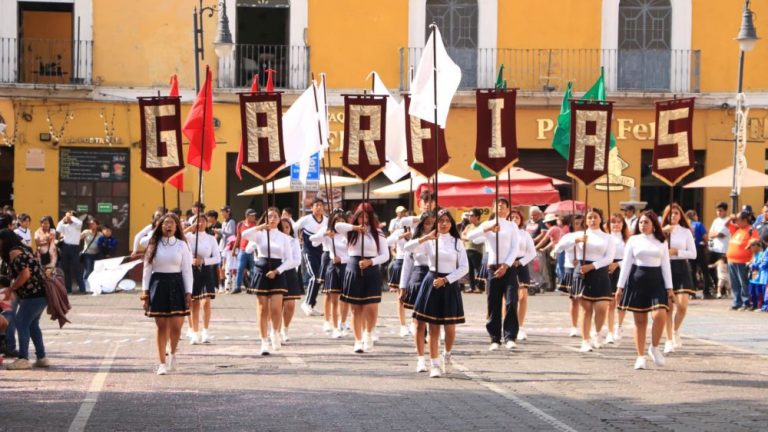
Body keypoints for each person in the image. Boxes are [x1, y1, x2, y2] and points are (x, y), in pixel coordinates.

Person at [407, 209, 468, 378]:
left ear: (451, 223)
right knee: (433, 326)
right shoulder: (431, 241)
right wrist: (425, 237)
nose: (444, 224)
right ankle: (434, 364)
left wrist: (447, 279)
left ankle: (446, 354)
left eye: (447, 220)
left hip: (449, 285)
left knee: (450, 328)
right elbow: (408, 248)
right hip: (431, 281)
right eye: (441, 221)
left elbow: (464, 267)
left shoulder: (457, 242)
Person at [616, 210, 674, 370]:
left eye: (646, 222)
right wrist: (619, 287)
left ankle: (654, 347)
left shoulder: (662, 241)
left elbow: (666, 265)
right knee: (640, 322)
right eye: (640, 222)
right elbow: (626, 264)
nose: (643, 225)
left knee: (660, 315)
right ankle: (640, 356)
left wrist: (670, 288)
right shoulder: (633, 240)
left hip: (656, 282)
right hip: (637, 281)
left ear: (654, 224)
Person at [141, 213, 193, 375]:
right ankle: (162, 363)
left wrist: (188, 292)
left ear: (177, 227)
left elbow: (187, 270)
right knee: (161, 326)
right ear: (160, 226)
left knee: (176, 327)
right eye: (165, 224)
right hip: (158, 285)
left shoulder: (182, 245)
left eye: (171, 224)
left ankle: (173, 352)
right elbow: (147, 270)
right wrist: (145, 292)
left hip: (177, 284)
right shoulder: (153, 244)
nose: (168, 226)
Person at [557, 209, 615, 352]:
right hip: (582, 272)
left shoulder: (608, 237)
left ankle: (597, 332)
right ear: (586, 220)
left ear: (600, 219)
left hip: (600, 271)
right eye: (589, 218)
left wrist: (592, 266)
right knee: (586, 309)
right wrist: (575, 241)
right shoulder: (578, 234)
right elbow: (559, 248)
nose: (592, 220)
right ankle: (585, 340)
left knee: (601, 308)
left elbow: (609, 258)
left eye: (595, 217)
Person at [336, 203, 389, 353]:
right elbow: (338, 226)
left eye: (366, 216)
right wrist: (355, 228)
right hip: (353, 267)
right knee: (356, 308)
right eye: (360, 216)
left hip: (371, 269)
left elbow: (385, 255)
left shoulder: (378, 233)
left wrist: (371, 262)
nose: (363, 219)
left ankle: (368, 333)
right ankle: (358, 340)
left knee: (370, 307)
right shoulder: (351, 232)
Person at [468, 198, 520, 351]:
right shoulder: (487, 224)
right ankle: (495, 338)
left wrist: (506, 265)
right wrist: (488, 229)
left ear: (508, 210)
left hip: (508, 268)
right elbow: (471, 237)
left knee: (511, 301)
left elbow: (514, 248)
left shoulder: (512, 226)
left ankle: (510, 336)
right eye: (497, 205)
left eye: (503, 206)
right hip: (492, 268)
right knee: (493, 303)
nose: (500, 208)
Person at [242, 207, 295, 355]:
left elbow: (289, 259)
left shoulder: (284, 237)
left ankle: (275, 332)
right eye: (269, 216)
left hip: (277, 272)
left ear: (279, 220)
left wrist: (278, 271)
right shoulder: (259, 234)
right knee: (262, 308)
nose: (272, 219)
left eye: (275, 217)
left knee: (276, 308)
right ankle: (263, 340)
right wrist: (260, 227)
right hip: (261, 270)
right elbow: (244, 234)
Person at [0, 229, 50, 370]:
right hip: (40, 293)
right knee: (32, 324)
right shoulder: (24, 249)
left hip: (33, 294)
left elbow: (25, 274)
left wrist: (11, 289)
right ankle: (41, 357)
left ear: (5, 240)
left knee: (21, 323)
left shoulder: (14, 253)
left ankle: (23, 358)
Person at [399, 211, 436, 372]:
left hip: (436, 276)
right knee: (417, 320)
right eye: (427, 223)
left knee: (433, 321)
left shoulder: (442, 238)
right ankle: (420, 359)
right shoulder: (416, 239)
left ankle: (435, 357)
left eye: (433, 223)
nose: (431, 226)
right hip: (418, 275)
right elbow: (407, 262)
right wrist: (402, 286)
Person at [660, 204, 697, 354]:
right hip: (665, 268)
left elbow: (693, 254)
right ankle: (668, 339)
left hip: (681, 268)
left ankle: (675, 330)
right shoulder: (659, 232)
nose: (673, 216)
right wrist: (662, 233)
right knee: (667, 307)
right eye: (670, 214)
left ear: (680, 215)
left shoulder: (686, 232)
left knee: (682, 306)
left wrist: (677, 252)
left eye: (676, 213)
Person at [310, 212, 349, 339]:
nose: (340, 224)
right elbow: (312, 240)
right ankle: (334, 326)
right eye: (337, 221)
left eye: (342, 221)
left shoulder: (348, 235)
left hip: (346, 266)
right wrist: (325, 234)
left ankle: (343, 323)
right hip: (332, 266)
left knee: (345, 298)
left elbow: (353, 254)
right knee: (333, 298)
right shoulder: (328, 233)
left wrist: (342, 260)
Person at [184, 216, 221, 345]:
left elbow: (217, 257)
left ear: (207, 224)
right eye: (197, 221)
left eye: (203, 221)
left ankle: (205, 331)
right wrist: (190, 228)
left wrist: (203, 261)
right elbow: (177, 237)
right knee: (194, 304)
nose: (200, 223)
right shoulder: (188, 237)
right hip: (192, 272)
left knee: (206, 303)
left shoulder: (211, 239)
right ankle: (194, 332)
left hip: (206, 271)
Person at [551, 215, 585, 337]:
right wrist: (574, 241)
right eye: (576, 223)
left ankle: (585, 325)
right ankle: (574, 326)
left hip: (583, 267)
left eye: (581, 223)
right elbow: (559, 248)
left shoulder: (587, 234)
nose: (578, 225)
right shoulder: (568, 236)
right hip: (570, 267)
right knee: (574, 299)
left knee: (584, 299)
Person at [296, 198, 328, 316]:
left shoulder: (327, 221)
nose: (319, 207)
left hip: (322, 252)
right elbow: (294, 228)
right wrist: (295, 242)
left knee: (319, 279)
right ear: (311, 208)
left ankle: (311, 304)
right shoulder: (305, 219)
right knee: (314, 276)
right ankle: (306, 303)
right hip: (308, 252)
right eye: (316, 205)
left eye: (321, 205)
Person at [508, 209, 536, 341]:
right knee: (508, 298)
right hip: (507, 265)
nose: (514, 219)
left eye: (517, 217)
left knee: (523, 296)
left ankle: (520, 326)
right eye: (511, 217)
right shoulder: (504, 233)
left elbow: (532, 252)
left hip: (520, 265)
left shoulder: (524, 234)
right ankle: (507, 325)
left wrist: (520, 262)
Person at [726, 211, 760, 310]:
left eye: (738, 220)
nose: (736, 222)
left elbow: (755, 245)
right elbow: (727, 224)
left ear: (745, 220)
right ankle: (737, 302)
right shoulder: (738, 229)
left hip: (743, 261)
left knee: (744, 283)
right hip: (732, 260)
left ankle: (746, 302)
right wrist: (731, 217)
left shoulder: (751, 230)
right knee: (734, 283)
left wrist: (752, 259)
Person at [607, 213, 630, 344]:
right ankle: (609, 331)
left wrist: (617, 264)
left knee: (621, 302)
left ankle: (619, 326)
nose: (616, 224)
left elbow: (629, 258)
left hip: (622, 270)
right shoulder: (607, 238)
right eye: (613, 222)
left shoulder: (628, 240)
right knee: (610, 303)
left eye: (619, 222)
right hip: (608, 270)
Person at [279, 218, 303, 342]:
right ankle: (275, 330)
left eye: (287, 227)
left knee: (290, 304)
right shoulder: (273, 239)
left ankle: (285, 329)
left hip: (289, 273)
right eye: (281, 227)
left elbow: (297, 260)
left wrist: (283, 266)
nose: (284, 229)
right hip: (275, 274)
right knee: (277, 305)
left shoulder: (294, 241)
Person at [386, 217, 410, 337]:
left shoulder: (419, 230)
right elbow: (387, 242)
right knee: (401, 296)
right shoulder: (398, 231)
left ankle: (416, 322)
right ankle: (403, 325)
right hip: (401, 261)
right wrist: (401, 236)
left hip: (415, 263)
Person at [56, 211, 85, 294]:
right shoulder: (64, 226)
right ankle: (68, 289)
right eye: (67, 217)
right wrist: (63, 219)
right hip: (65, 247)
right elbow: (58, 229)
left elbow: (80, 222)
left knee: (77, 269)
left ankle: (82, 289)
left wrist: (70, 216)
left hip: (74, 248)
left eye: (69, 217)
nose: (68, 218)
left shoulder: (77, 226)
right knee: (65, 269)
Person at [686, 210, 710, 298]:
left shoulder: (686, 226)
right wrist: (706, 245)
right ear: (695, 215)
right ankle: (706, 292)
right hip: (699, 248)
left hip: (689, 249)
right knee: (705, 271)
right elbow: (705, 237)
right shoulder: (699, 224)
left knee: (692, 271)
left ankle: (692, 293)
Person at [233, 209, 258, 294]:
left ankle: (252, 287)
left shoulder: (256, 225)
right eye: (252, 215)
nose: (254, 217)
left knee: (252, 270)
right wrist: (234, 249)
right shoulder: (240, 224)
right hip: (242, 250)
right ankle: (238, 287)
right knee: (239, 269)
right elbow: (238, 237)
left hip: (252, 251)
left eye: (254, 215)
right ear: (247, 216)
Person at [708, 202, 730, 293]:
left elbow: (722, 234)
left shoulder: (728, 221)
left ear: (725, 211)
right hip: (713, 249)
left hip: (723, 250)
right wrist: (715, 234)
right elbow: (710, 234)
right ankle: (716, 286)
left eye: (720, 211)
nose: (718, 212)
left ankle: (723, 290)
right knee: (710, 268)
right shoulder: (715, 220)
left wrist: (716, 234)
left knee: (722, 271)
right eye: (717, 211)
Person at [460, 209, 484, 294]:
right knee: (469, 270)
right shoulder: (469, 226)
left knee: (478, 269)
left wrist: (468, 237)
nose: (469, 217)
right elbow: (462, 235)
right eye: (469, 215)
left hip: (476, 250)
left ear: (477, 217)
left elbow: (481, 236)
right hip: (467, 249)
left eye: (471, 215)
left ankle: (480, 287)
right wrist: (468, 238)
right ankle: (472, 287)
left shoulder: (481, 225)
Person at [80, 218, 103, 283]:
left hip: (97, 254)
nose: (91, 225)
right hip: (87, 254)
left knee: (96, 270)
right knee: (88, 270)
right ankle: (84, 285)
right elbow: (78, 238)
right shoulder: (86, 232)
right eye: (90, 224)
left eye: (93, 224)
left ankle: (94, 284)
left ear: (97, 225)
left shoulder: (100, 234)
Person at [747, 239, 767, 311]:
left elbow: (760, 264)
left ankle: (760, 306)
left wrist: (752, 265)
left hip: (759, 278)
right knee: (752, 293)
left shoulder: (762, 254)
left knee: (759, 293)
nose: (750, 250)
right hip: (753, 277)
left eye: (751, 247)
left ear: (756, 246)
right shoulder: (754, 255)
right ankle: (753, 305)